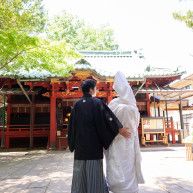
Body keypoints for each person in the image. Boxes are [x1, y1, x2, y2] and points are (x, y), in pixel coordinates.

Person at [68, 79, 131, 193]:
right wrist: (119, 128)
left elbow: (71, 126)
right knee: (94, 173)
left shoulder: (76, 105)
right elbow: (108, 118)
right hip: (93, 146)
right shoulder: (97, 103)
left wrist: (71, 143)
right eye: (95, 88)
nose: (96, 90)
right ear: (91, 89)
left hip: (80, 146)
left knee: (80, 172)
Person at [105, 71, 145, 193]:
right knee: (124, 164)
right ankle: (124, 188)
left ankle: (120, 188)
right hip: (123, 139)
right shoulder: (130, 105)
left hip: (120, 140)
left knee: (122, 164)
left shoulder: (114, 104)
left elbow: (106, 121)